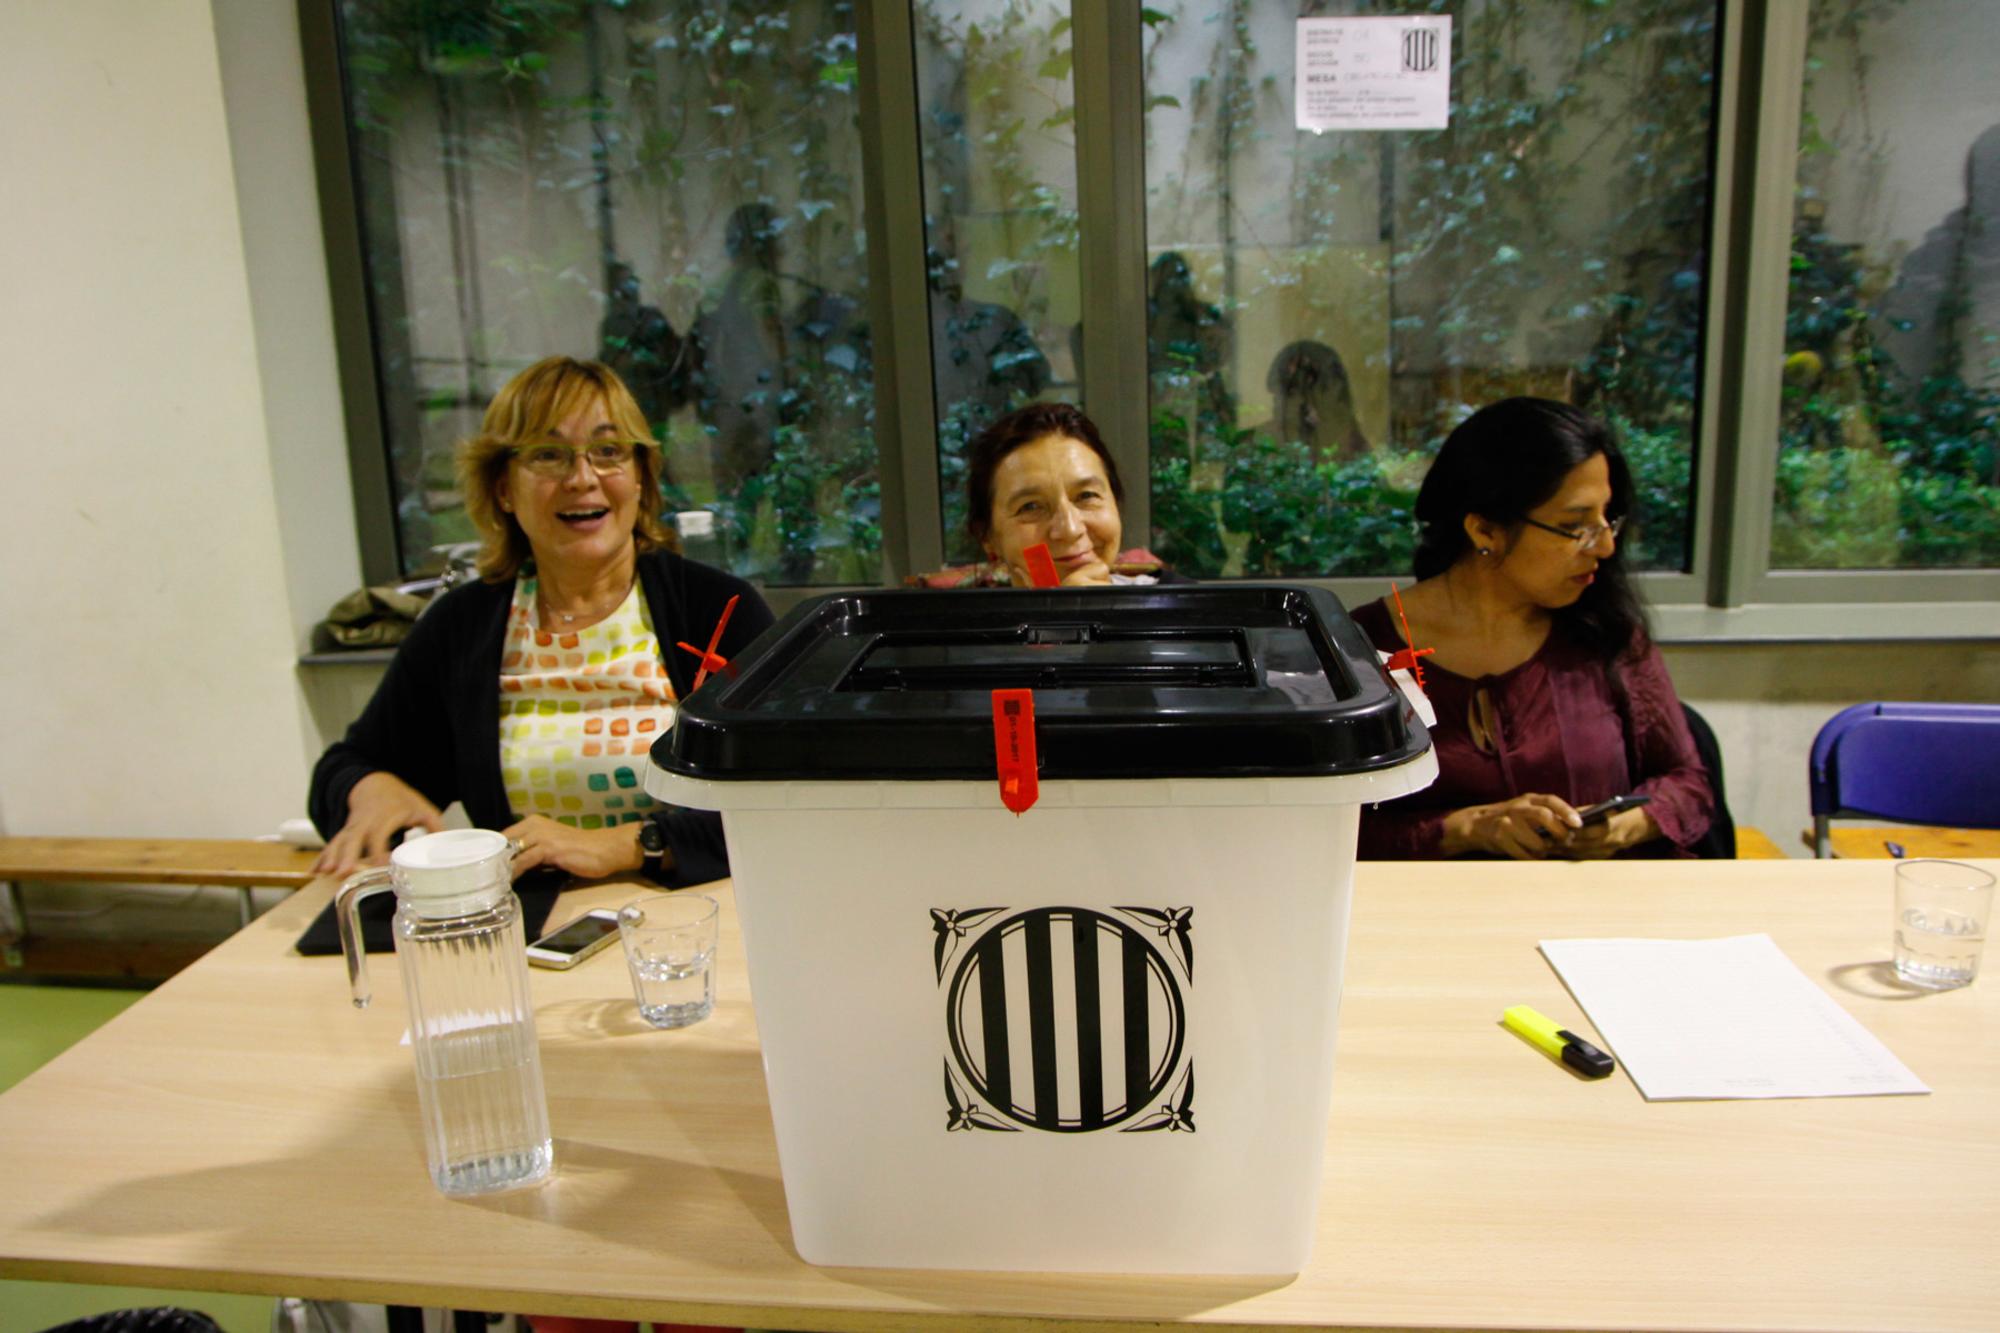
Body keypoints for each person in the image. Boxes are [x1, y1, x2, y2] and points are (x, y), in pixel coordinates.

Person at [309, 356, 774, 884]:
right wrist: (366, 787)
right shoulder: (462, 628)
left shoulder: (717, 610)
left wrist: (629, 845)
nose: (582, 478)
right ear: (503, 489)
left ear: (641, 477)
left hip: (697, 921)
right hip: (535, 929)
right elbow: (343, 767)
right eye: (549, 456)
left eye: (607, 452)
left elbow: (786, 797)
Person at [1352, 397, 1712, 860]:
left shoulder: (1603, 633)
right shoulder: (1360, 652)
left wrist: (1624, 826)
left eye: (1609, 519)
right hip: (1436, 917)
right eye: (1575, 526)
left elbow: (1691, 786)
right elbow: (1321, 832)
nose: (1603, 546)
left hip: (1598, 917)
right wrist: (1463, 828)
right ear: (1485, 531)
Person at [954, 402, 1190, 587]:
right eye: (1030, 507)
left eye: (1086, 496)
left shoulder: (1183, 613)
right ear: (987, 537)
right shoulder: (956, 641)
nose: (1070, 529)